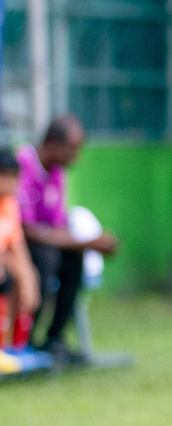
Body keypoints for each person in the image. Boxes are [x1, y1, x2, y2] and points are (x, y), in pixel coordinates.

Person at [18, 115, 119, 361]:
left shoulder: (57, 174)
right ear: (52, 144)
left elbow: (57, 225)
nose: (76, 156)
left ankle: (55, 339)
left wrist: (90, 242)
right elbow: (28, 229)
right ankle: (27, 341)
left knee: (73, 257)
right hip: (17, 248)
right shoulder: (23, 164)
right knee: (47, 259)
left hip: (43, 246)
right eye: (72, 148)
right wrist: (86, 242)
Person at [0, 147, 41, 348]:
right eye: (5, 177)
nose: (10, 185)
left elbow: (17, 245)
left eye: (14, 178)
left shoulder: (9, 203)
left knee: (27, 278)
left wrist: (27, 277)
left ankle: (17, 348)